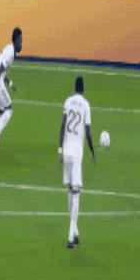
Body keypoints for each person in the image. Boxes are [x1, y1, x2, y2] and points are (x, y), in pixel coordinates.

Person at [58, 76, 95, 249]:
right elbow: (87, 131)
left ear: (74, 87)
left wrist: (59, 149)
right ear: (83, 88)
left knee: (70, 190)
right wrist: (92, 150)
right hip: (76, 151)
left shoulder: (68, 101)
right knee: (76, 192)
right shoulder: (85, 105)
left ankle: (75, 231)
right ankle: (70, 237)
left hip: (66, 149)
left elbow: (62, 125)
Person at [0, 28, 23, 153]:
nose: (21, 44)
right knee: (8, 110)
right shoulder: (11, 53)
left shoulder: (8, 49)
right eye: (20, 40)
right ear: (15, 40)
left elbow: (0, 70)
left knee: (1, 113)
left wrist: (10, 83)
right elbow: (0, 70)